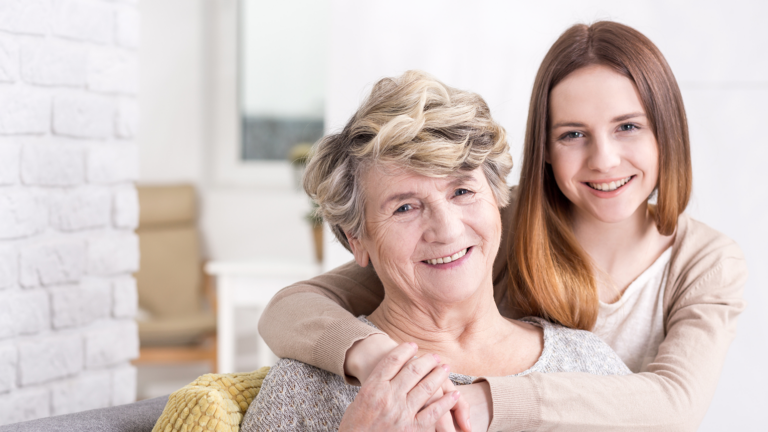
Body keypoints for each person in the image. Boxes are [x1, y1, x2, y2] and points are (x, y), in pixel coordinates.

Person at [257, 21, 748, 431]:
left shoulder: (704, 263)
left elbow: (675, 404)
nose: (606, 159)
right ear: (545, 152)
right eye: (573, 134)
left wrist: (482, 402)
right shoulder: (506, 227)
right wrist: (376, 361)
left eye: (628, 126)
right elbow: (294, 307)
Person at [241, 70, 630, 432]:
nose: (447, 229)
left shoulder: (586, 363)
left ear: (497, 198)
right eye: (405, 207)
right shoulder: (305, 388)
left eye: (462, 191)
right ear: (357, 239)